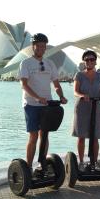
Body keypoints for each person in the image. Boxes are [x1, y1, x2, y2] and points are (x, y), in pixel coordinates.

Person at [18, 33, 68, 172]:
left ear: (45, 48)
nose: (41, 48)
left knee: (44, 134)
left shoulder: (50, 64)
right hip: (31, 104)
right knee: (34, 135)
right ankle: (28, 167)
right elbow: (24, 85)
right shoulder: (26, 63)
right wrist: (37, 97)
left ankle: (42, 164)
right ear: (33, 46)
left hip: (47, 105)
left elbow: (56, 84)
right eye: (38, 46)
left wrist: (62, 96)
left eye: (43, 46)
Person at [72, 50, 100, 171]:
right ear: (84, 62)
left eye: (92, 60)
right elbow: (75, 91)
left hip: (96, 107)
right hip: (82, 108)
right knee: (81, 136)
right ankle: (82, 162)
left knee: (95, 136)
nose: (89, 62)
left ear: (95, 62)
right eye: (87, 60)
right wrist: (82, 95)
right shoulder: (79, 75)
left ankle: (93, 162)